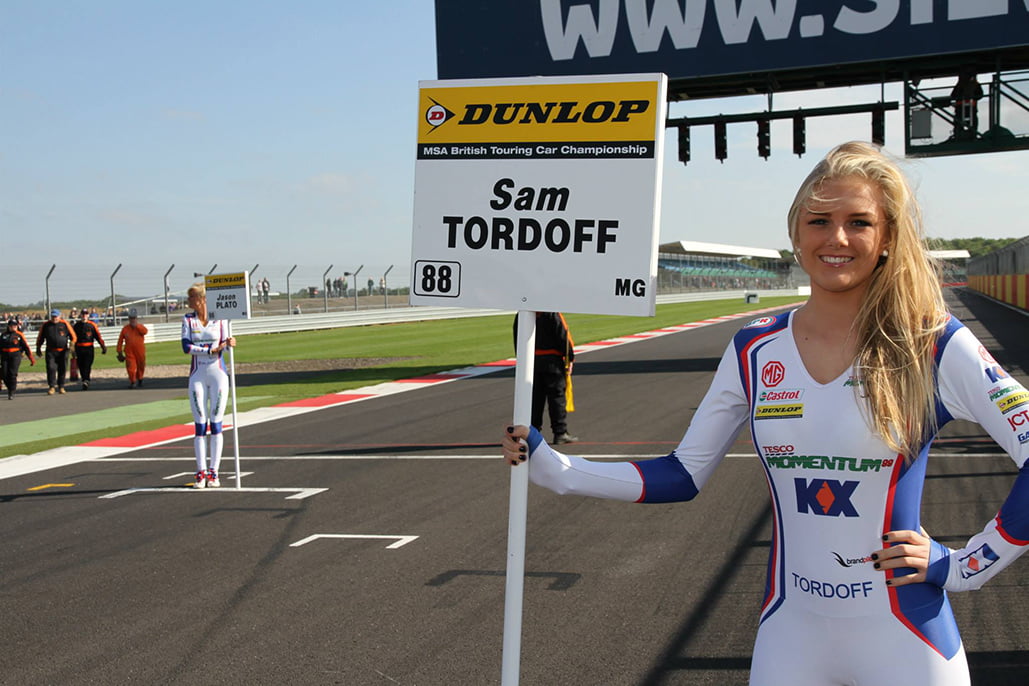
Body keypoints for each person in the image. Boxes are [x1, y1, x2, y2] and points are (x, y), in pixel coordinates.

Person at [502, 142, 1029, 686]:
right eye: (819, 220)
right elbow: (682, 474)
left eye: (859, 222)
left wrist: (965, 565)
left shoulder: (931, 343)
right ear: (796, 233)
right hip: (792, 632)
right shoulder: (755, 349)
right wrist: (556, 471)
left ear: (887, 237)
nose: (837, 238)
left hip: (907, 636)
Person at [182, 283, 237, 488]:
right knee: (199, 424)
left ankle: (214, 471)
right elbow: (186, 347)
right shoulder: (188, 320)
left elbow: (225, 343)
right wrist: (209, 351)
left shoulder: (220, 320)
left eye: (192, 298)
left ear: (202, 299)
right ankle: (200, 471)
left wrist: (230, 344)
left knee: (215, 422)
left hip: (218, 374)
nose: (189, 302)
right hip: (197, 374)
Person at [513, 312, 577, 444]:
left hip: (531, 362)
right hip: (552, 361)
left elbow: (517, 336)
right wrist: (570, 357)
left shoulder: (523, 313)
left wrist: (521, 357)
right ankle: (560, 433)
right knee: (557, 398)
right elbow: (563, 335)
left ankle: (532, 433)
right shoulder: (552, 312)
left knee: (535, 399)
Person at [35, 309, 77, 395]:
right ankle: (52, 387)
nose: (54, 318)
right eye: (53, 316)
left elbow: (73, 336)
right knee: (51, 368)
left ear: (59, 316)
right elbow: (40, 337)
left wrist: (72, 343)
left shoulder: (65, 324)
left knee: (62, 369)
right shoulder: (46, 325)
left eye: (56, 316)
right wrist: (38, 347)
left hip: (63, 351)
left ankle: (61, 386)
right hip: (51, 351)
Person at [1, 318, 35, 399]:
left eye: (15, 325)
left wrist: (31, 358)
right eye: (12, 326)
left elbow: (26, 347)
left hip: (15, 356)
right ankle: (10, 387)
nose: (14, 327)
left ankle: (11, 391)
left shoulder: (19, 335)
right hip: (5, 356)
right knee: (4, 374)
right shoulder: (3, 335)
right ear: (9, 326)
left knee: (12, 373)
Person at [73, 310, 107, 390]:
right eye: (83, 314)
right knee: (81, 365)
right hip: (79, 348)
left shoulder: (92, 325)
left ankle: (86, 380)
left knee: (87, 365)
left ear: (88, 315)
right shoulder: (76, 326)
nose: (84, 316)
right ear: (80, 315)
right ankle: (84, 379)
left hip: (89, 348)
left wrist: (103, 346)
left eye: (86, 314)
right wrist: (72, 348)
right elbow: (72, 338)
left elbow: (98, 337)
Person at [116, 308, 148, 388]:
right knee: (131, 367)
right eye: (131, 318)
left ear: (136, 319)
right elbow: (120, 341)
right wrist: (119, 352)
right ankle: (133, 381)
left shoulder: (140, 327)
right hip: (129, 351)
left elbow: (145, 331)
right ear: (129, 319)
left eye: (134, 318)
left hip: (140, 351)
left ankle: (140, 378)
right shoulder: (125, 329)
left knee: (141, 365)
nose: (132, 320)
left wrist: (137, 326)